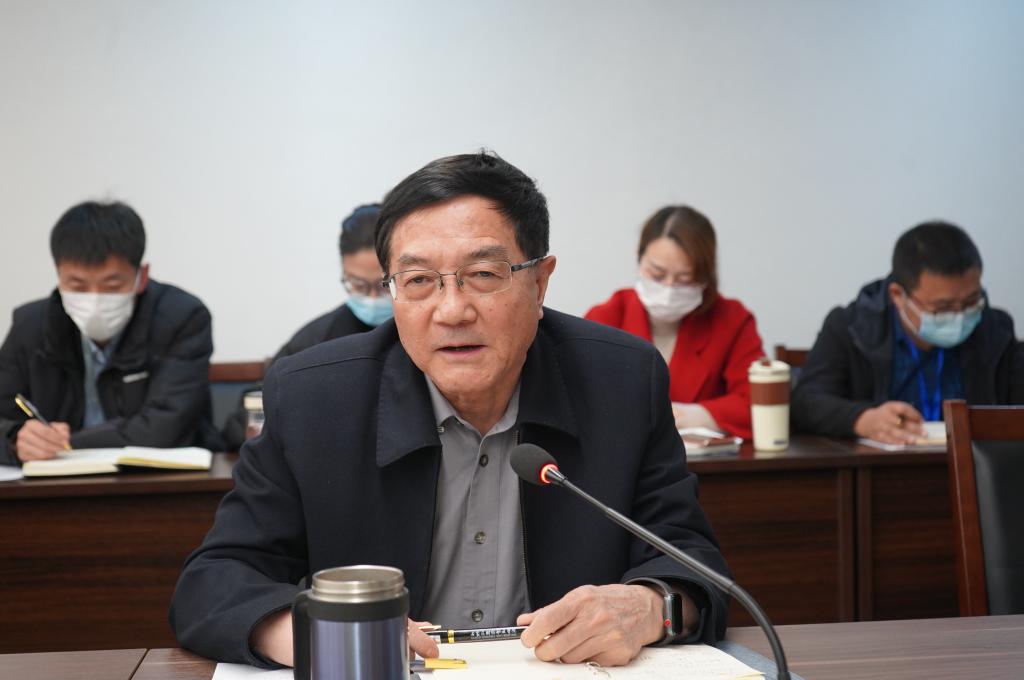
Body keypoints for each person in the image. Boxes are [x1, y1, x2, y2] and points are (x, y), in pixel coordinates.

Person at [170, 152, 730, 669]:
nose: (452, 310)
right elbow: (214, 581)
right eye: (418, 281)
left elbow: (693, 565)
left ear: (540, 283)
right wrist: (319, 636)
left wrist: (649, 607)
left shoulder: (622, 383)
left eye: (483, 275)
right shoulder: (313, 398)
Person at [0, 201, 222, 465]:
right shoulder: (30, 326)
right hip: (52, 483)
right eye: (78, 287)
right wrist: (16, 438)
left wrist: (64, 443)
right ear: (58, 275)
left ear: (141, 276)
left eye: (112, 287)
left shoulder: (183, 318)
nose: (94, 300)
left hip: (157, 480)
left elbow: (166, 426)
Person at [792, 220, 1024, 443]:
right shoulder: (851, 327)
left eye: (971, 301)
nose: (960, 316)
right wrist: (862, 419)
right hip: (885, 465)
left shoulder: (995, 329)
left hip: (971, 465)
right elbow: (805, 402)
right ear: (898, 295)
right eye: (943, 307)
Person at [585, 206, 765, 439]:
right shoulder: (605, 318)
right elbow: (581, 399)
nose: (669, 289)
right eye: (657, 275)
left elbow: (759, 404)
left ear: (706, 276)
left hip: (709, 460)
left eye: (685, 279)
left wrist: (691, 416)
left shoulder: (732, 320)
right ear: (639, 258)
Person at [221, 203, 391, 450]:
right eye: (358, 285)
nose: (372, 298)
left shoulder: (425, 330)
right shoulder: (316, 338)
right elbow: (246, 421)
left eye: (382, 285)